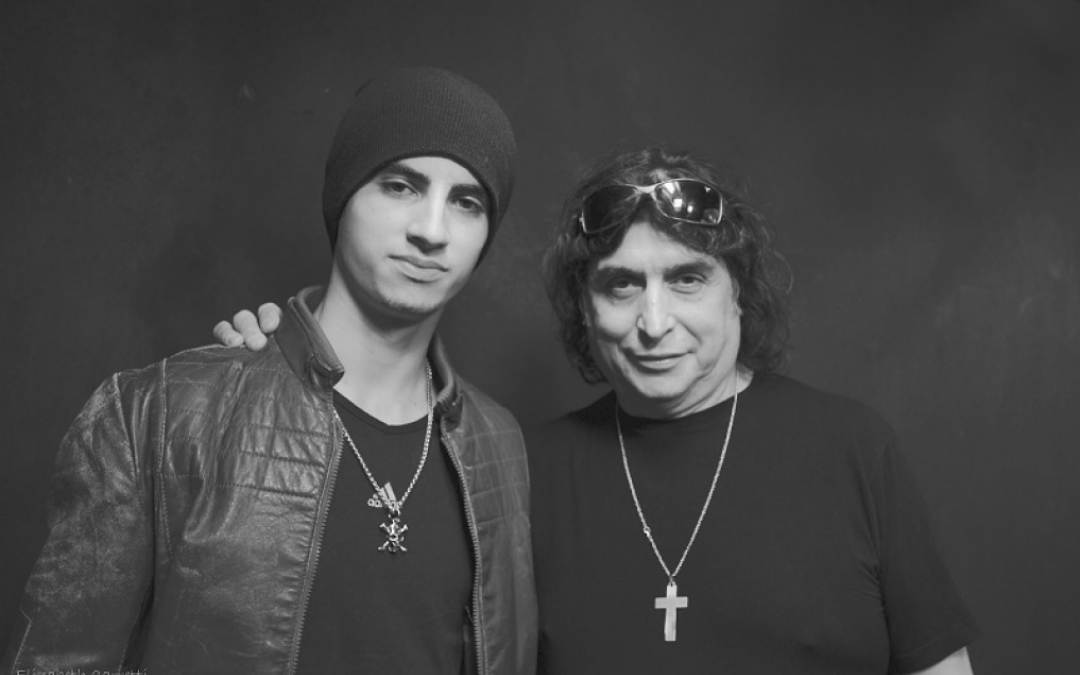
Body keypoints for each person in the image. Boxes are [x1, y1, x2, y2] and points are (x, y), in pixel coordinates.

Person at [217, 147, 980, 674]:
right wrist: (276, 371)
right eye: (621, 285)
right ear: (585, 309)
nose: (654, 322)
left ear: (738, 294)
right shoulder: (517, 469)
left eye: (686, 280)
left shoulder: (851, 449)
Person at [2, 67, 536, 675]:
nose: (431, 231)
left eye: (466, 203)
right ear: (343, 198)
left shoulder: (499, 444)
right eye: (400, 186)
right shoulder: (156, 414)